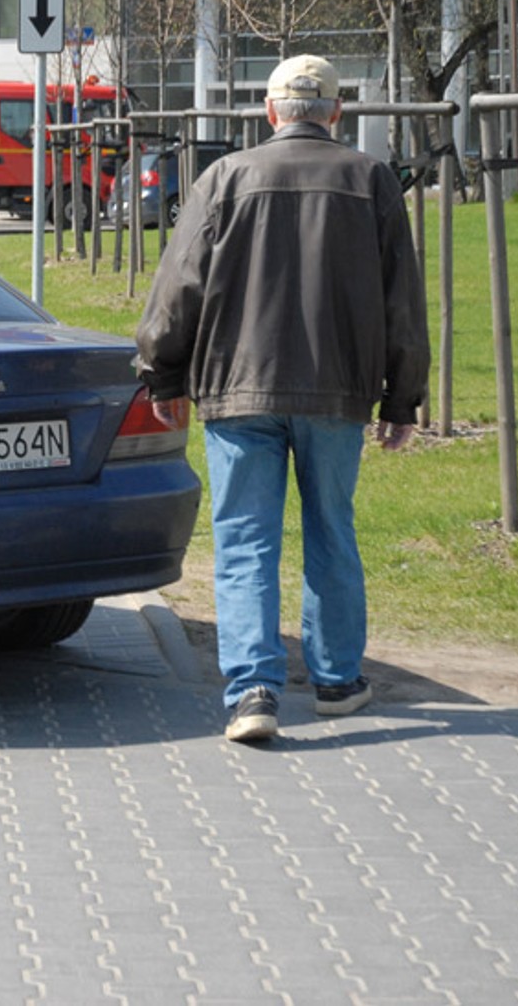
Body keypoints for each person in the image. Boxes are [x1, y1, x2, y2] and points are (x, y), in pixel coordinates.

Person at [135, 54, 429, 744]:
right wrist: (402, 399)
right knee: (332, 529)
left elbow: (178, 288)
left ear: (269, 113)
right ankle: (335, 681)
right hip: (337, 389)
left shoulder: (224, 179)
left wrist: (160, 374)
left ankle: (253, 692)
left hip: (238, 391)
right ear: (336, 114)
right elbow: (402, 305)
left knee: (243, 541)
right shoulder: (372, 180)